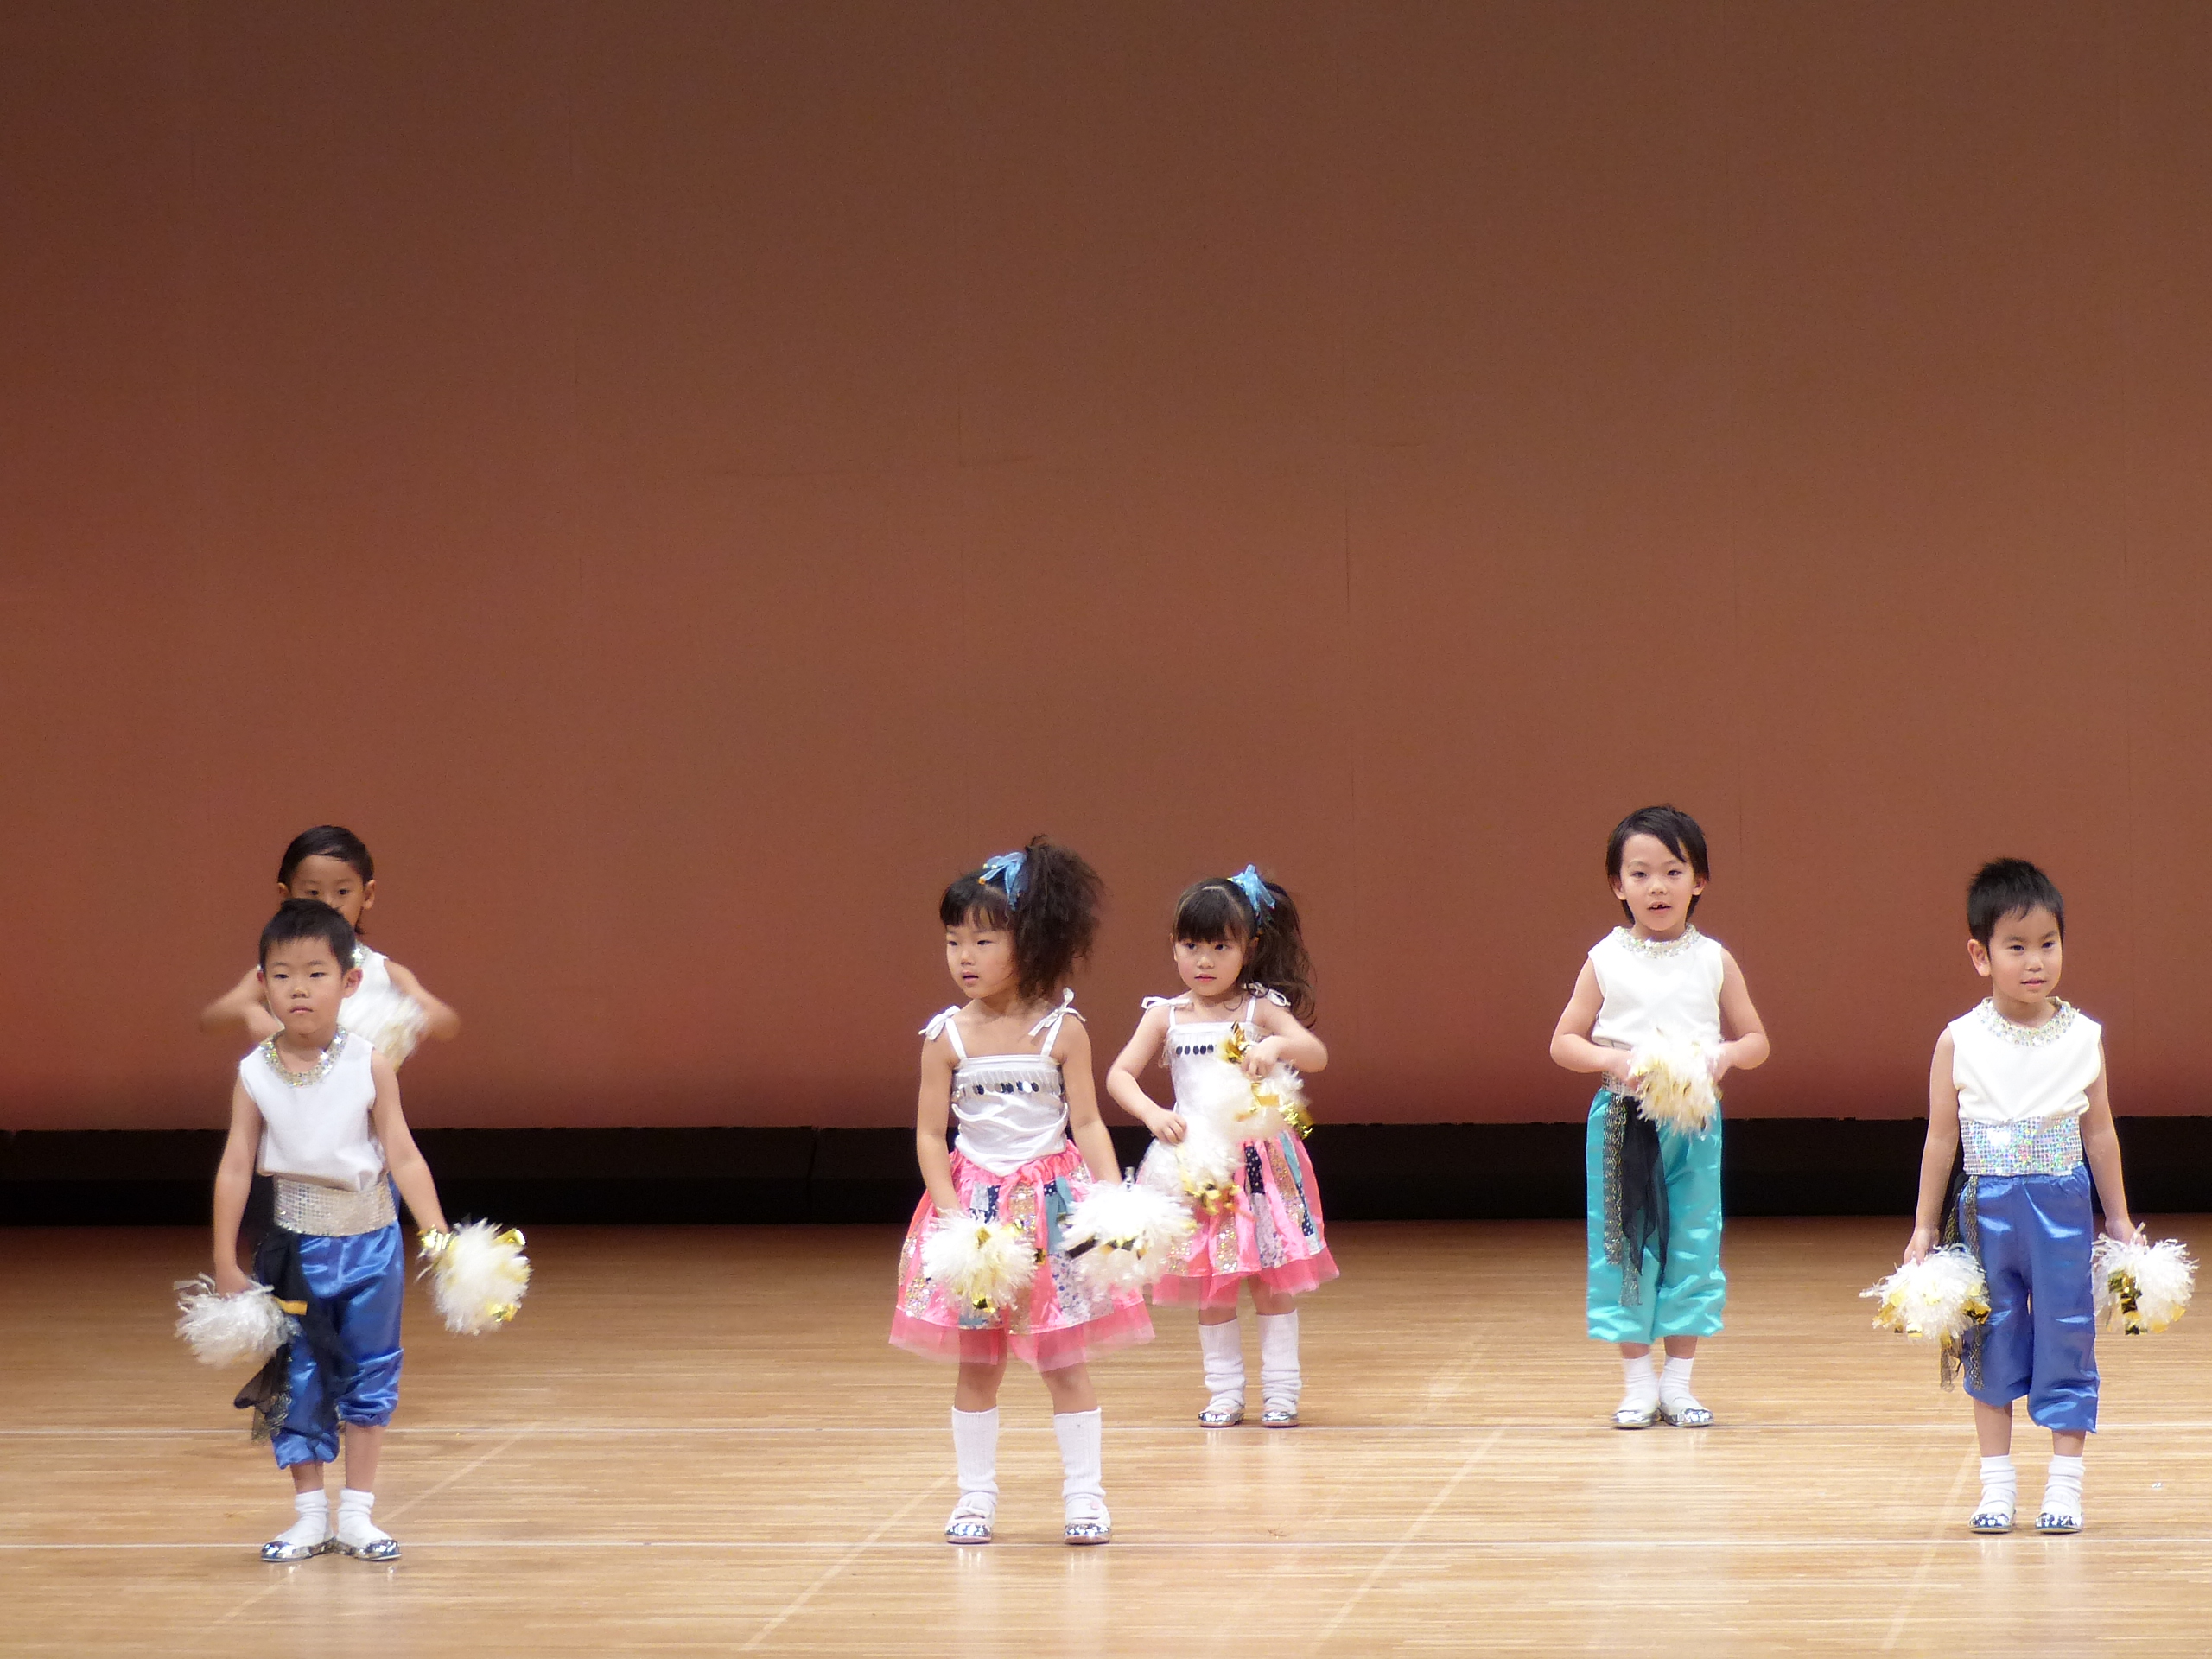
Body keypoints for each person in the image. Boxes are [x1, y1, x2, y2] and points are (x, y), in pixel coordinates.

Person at [891, 839, 1149, 1546]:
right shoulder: (945, 1038)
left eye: (983, 940)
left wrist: (1111, 1201)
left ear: (1028, 942)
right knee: (978, 1363)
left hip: (1053, 1210)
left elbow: (1087, 1122)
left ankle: (1085, 1496)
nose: (964, 956)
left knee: (1064, 1359)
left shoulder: (1062, 1030)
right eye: (953, 941)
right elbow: (930, 1136)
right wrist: (955, 1222)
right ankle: (975, 1497)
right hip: (977, 1213)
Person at [209, 898, 454, 1562]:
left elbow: (402, 1153)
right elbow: (236, 1165)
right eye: (282, 975)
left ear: (349, 983)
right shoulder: (255, 1072)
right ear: (263, 983)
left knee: (371, 1372)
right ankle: (310, 1516)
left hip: (373, 1245)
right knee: (300, 1378)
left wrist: (437, 1233)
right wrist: (226, 1259)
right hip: (294, 1249)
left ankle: (358, 1516)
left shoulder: (370, 1063)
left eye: (316, 974)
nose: (299, 989)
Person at [1901, 858, 2140, 1534]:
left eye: (2048, 944)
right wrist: (1923, 1227)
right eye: (2016, 946)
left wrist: (2119, 1217)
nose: (2035, 961)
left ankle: (2065, 1485)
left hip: (2062, 1207)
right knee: (1991, 1335)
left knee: (2068, 1332)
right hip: (1988, 1210)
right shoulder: (1959, 1040)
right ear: (1981, 955)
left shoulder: (2084, 1036)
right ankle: (1996, 1485)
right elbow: (1941, 1140)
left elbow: (2100, 1132)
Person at [1550, 805, 1770, 1428]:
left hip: (1693, 1121)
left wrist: (1724, 1056)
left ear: (1699, 881)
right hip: (1622, 1120)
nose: (1657, 887)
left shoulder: (1715, 959)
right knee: (1624, 1244)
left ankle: (1679, 1383)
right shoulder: (1605, 958)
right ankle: (1637, 1383)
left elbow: (1756, 1040)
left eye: (1673, 872)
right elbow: (1563, 1041)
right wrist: (1613, 1061)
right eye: (1640, 873)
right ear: (1618, 885)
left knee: (1693, 1240)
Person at [1106, 865, 1333, 1427]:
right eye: (1191, 946)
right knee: (1214, 1286)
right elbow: (1119, 1076)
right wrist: (1153, 1114)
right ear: (1173, 946)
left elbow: (1316, 1055)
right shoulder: (1166, 1015)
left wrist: (1276, 1044)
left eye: (1219, 947)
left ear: (1248, 948)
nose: (1203, 961)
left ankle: (1281, 1392)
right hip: (1200, 1168)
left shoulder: (1259, 1009)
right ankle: (1225, 1392)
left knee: (1270, 1280)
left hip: (1257, 1165)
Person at [201, 825, 459, 1062]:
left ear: (367, 895)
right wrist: (249, 1011)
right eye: (313, 892)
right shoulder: (279, 970)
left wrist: (414, 1021)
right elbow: (211, 1018)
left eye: (342, 892)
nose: (329, 904)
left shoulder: (385, 971)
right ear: (286, 896)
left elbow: (446, 1021)